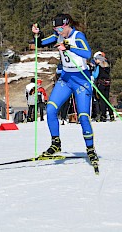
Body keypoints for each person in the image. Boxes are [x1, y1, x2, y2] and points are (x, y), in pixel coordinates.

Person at [31, 13, 98, 164]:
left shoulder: (78, 35)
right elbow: (40, 43)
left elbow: (87, 53)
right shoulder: (58, 36)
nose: (59, 31)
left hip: (81, 80)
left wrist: (69, 47)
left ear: (67, 25)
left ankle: (90, 149)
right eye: (56, 29)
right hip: (66, 79)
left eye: (61, 28)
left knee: (83, 117)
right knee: (51, 109)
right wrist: (37, 35)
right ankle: (56, 143)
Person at [92, 51, 115, 122]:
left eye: (96, 59)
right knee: (107, 99)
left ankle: (103, 115)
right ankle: (111, 115)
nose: (95, 61)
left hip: (101, 84)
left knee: (102, 100)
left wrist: (93, 70)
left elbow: (95, 75)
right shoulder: (107, 66)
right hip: (107, 84)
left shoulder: (99, 66)